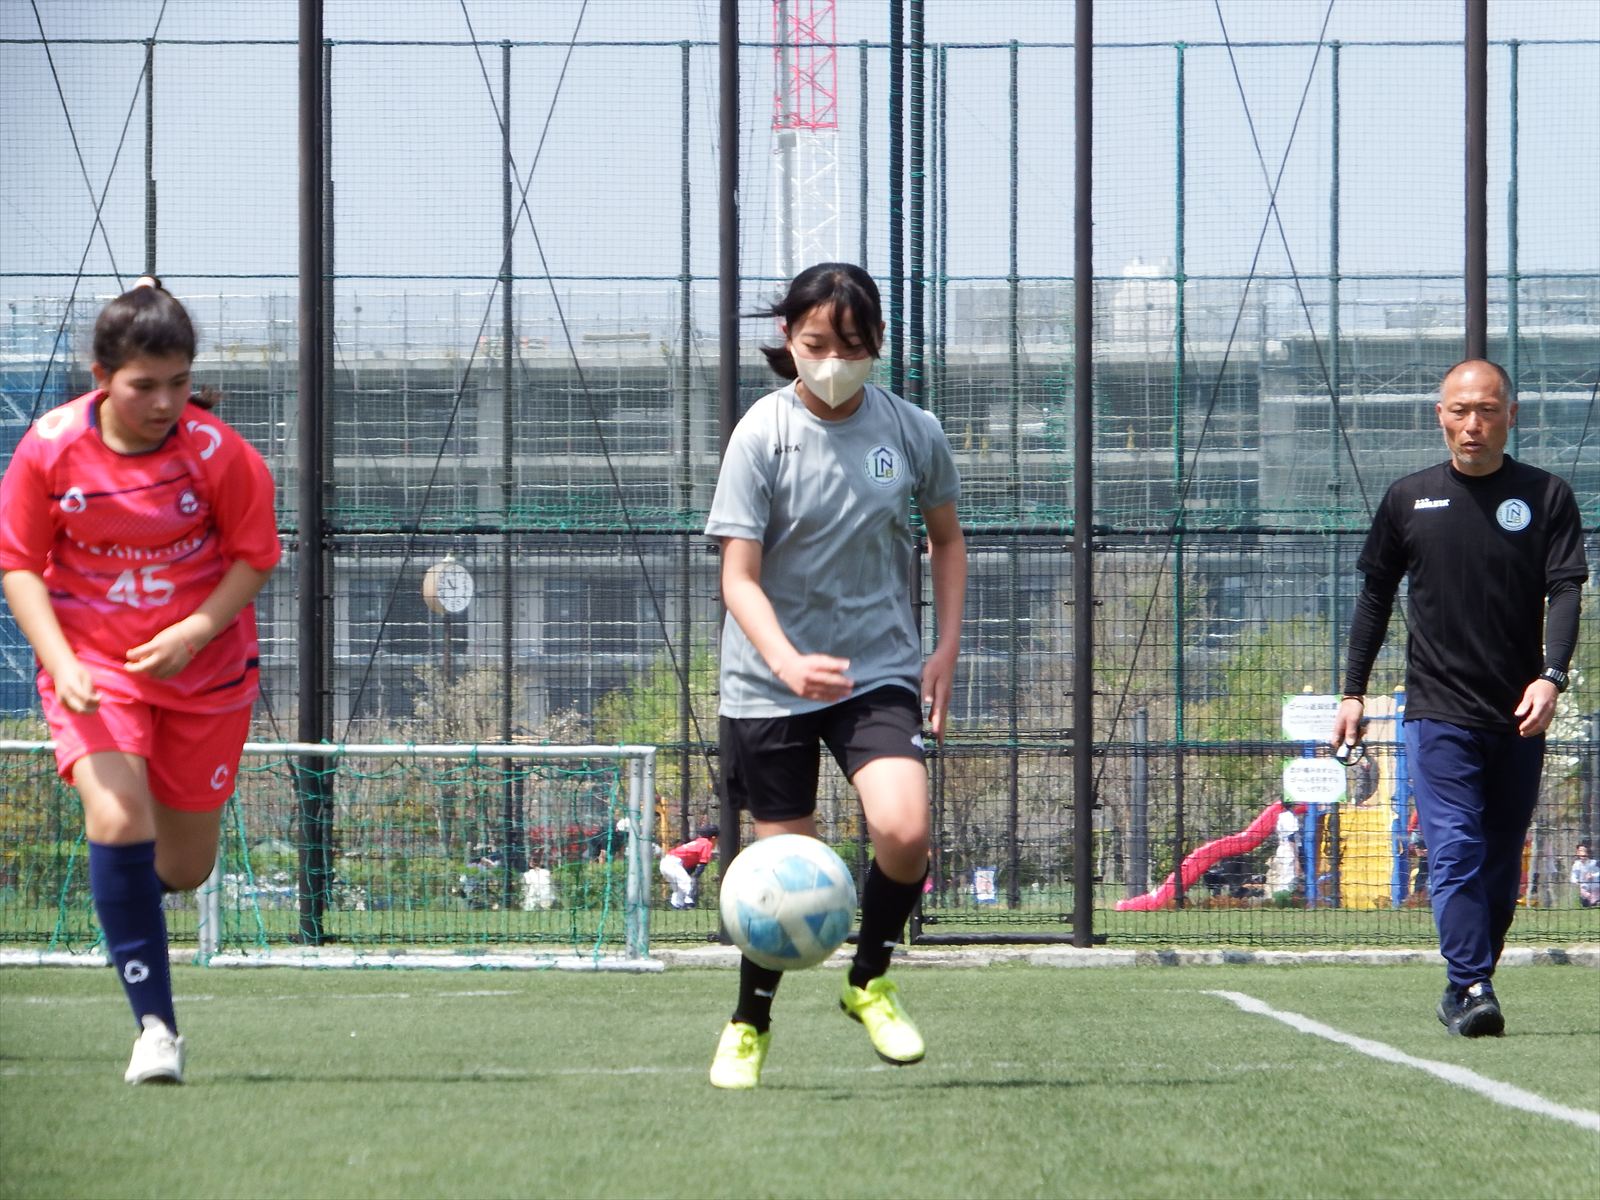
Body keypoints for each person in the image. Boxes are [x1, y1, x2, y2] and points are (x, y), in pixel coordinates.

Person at [0, 278, 280, 1083]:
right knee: (119, 817)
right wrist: (61, 661)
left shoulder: (219, 453)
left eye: (179, 383)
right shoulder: (49, 448)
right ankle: (157, 1030)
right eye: (144, 385)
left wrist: (193, 632)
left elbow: (256, 556)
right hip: (94, 668)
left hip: (206, 674)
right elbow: (19, 564)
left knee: (185, 868)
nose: (164, 403)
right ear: (101, 378)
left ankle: (123, 890)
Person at [703, 262, 966, 1089]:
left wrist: (945, 649)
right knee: (785, 873)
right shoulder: (761, 434)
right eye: (816, 342)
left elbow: (948, 540)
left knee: (905, 831)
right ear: (788, 337)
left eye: (851, 345)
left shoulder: (912, 432)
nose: (833, 361)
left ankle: (869, 980)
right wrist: (785, 659)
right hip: (767, 682)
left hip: (876, 669)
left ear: (877, 343)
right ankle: (749, 1022)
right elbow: (738, 577)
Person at [1331, 359, 1586, 1038]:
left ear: (1511, 416)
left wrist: (1551, 677)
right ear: (1440, 415)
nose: (1473, 424)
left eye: (1487, 410)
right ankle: (1473, 984)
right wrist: (1353, 692)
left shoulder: (1547, 496)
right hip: (1437, 711)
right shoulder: (1408, 499)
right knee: (1455, 848)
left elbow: (1565, 590)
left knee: (1500, 861)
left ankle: (1465, 986)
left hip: (1518, 716)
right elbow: (1374, 597)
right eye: (1460, 410)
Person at [659, 823, 718, 909]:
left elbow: (690, 865)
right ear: (713, 838)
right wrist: (695, 877)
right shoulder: (707, 843)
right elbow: (702, 864)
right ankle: (689, 903)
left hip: (666, 862)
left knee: (679, 888)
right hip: (673, 863)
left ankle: (676, 905)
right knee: (689, 884)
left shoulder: (698, 841)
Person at [1571, 843, 1600, 909]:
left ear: (1587, 852)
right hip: (1584, 888)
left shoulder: (1594, 863)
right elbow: (1573, 876)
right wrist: (1576, 881)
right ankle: (1592, 901)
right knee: (1586, 900)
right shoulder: (1576, 864)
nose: (1582, 853)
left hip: (1596, 887)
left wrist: (1593, 875)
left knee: (1594, 897)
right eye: (1580, 851)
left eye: (1583, 851)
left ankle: (1595, 901)